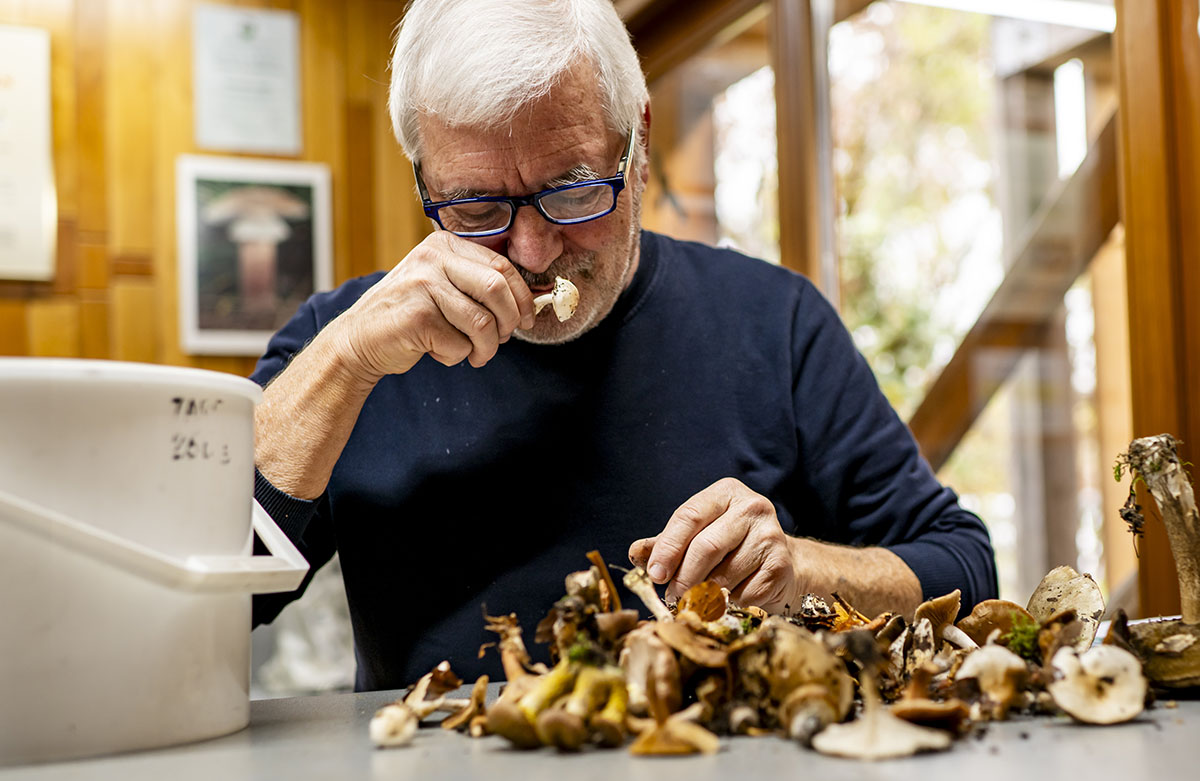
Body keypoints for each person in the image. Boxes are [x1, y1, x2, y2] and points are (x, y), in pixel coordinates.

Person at [250, 0, 997, 690]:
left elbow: (965, 568)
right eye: (476, 206)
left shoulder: (776, 321)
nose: (533, 251)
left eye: (574, 192)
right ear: (425, 182)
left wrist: (799, 569)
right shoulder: (342, 344)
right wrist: (344, 362)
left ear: (639, 144)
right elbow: (196, 605)